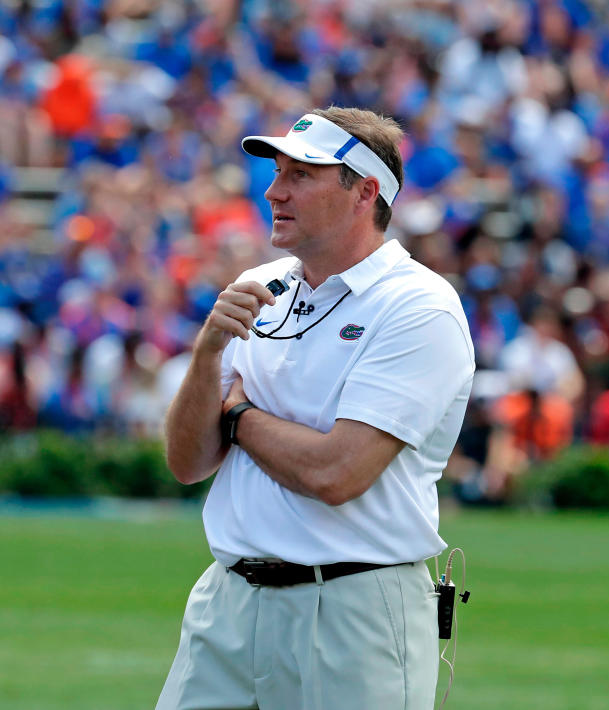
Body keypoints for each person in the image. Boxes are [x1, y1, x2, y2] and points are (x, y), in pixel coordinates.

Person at [158, 107, 476, 710]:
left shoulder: (418, 307)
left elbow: (336, 473)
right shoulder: (263, 284)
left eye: (302, 174)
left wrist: (237, 416)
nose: (274, 191)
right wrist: (206, 354)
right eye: (278, 173)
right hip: (228, 599)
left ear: (365, 191)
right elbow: (185, 462)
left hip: (351, 610)